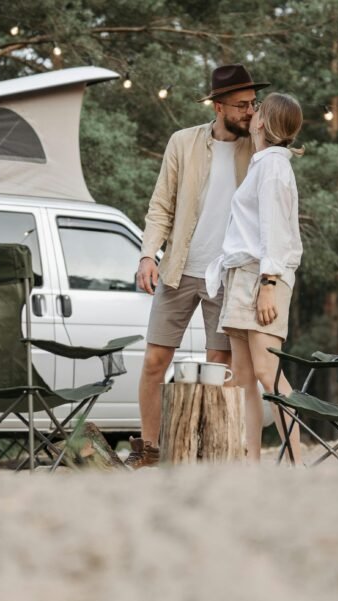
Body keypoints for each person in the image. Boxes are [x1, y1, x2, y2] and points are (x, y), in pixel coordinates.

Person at [127, 64, 269, 468]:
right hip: (179, 268)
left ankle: (208, 453)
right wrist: (146, 254)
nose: (249, 111)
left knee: (217, 369)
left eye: (253, 104)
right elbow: (161, 205)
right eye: (241, 105)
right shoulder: (183, 142)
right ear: (219, 106)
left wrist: (260, 140)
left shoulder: (258, 149)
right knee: (155, 360)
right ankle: (151, 450)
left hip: (228, 276)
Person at [204, 92, 305, 465]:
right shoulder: (262, 163)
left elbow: (274, 231)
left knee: (268, 373)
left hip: (262, 278)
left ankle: (297, 461)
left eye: (256, 110)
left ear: (262, 122)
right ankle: (250, 462)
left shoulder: (275, 168)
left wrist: (268, 285)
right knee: (243, 376)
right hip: (240, 275)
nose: (251, 112)